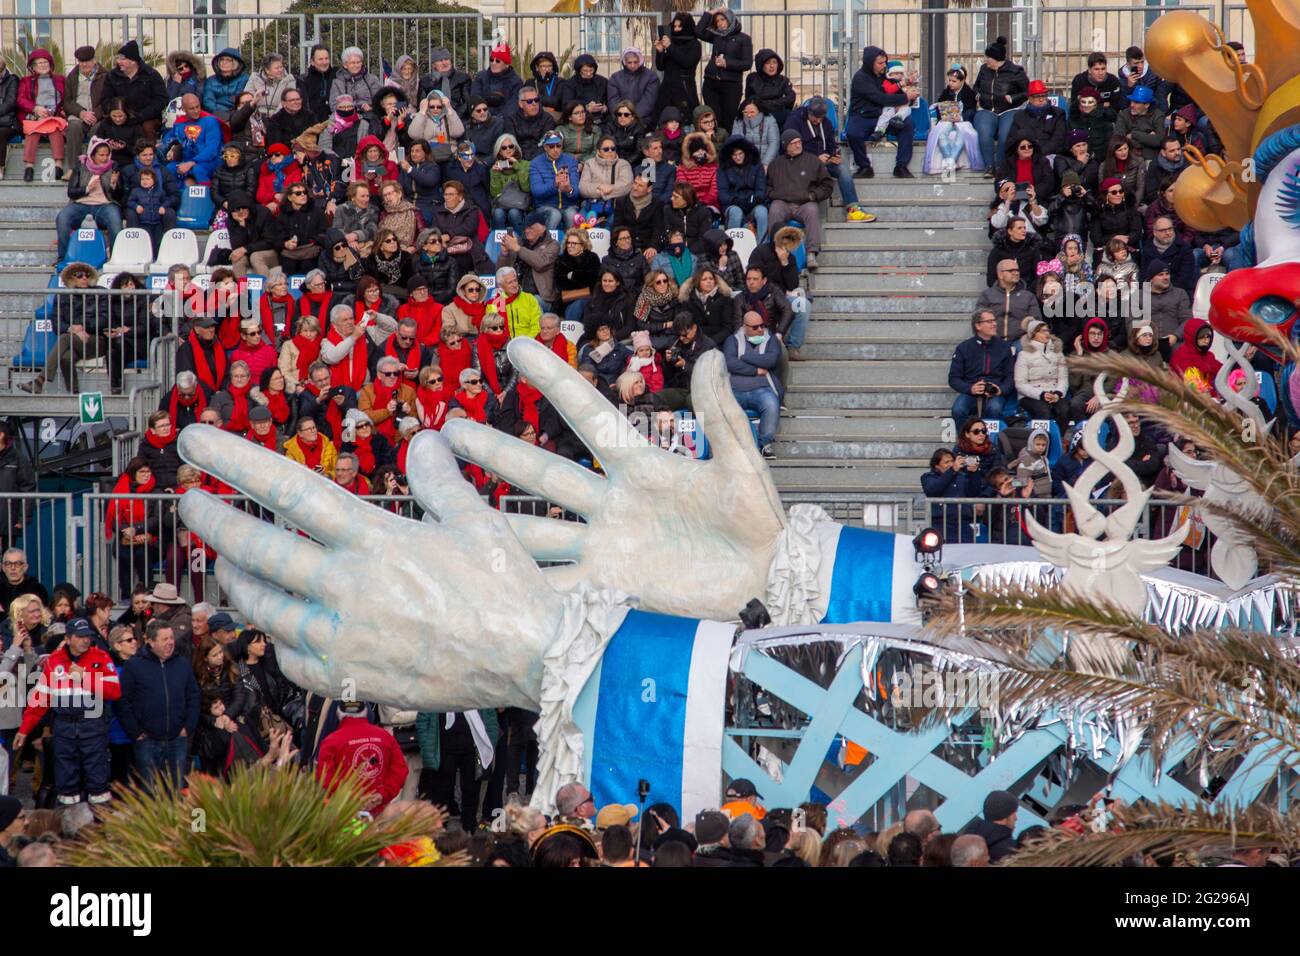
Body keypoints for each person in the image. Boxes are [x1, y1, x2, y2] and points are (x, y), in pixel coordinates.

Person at [14, 616, 120, 806]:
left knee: (98, 783)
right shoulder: (55, 661)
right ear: (68, 638)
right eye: (79, 637)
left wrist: (85, 678)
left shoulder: (101, 657)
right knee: (66, 784)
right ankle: (68, 827)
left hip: (93, 726)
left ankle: (100, 828)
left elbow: (114, 691)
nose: (85, 640)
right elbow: (40, 699)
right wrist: (24, 730)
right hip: (64, 727)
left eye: (87, 636)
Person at [116, 617, 199, 790]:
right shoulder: (134, 666)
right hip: (147, 741)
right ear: (151, 642)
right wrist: (136, 732)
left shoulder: (182, 664)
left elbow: (193, 696)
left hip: (178, 739)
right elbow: (122, 701)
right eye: (165, 639)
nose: (170, 643)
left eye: (171, 638)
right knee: (151, 792)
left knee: (176, 790)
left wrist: (188, 727)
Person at [848, 46, 920, 179]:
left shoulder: (884, 76)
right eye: (880, 63)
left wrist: (907, 86)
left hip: (885, 115)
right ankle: (864, 167)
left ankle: (901, 166)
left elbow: (894, 89)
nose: (884, 65)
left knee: (907, 124)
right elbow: (879, 97)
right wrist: (905, 97)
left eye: (885, 62)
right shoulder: (861, 78)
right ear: (870, 62)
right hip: (863, 116)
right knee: (853, 132)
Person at [785, 95, 866, 211]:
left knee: (842, 168)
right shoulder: (794, 121)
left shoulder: (826, 123)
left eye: (821, 118)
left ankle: (853, 208)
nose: (818, 121)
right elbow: (790, 149)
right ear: (809, 112)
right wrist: (815, 159)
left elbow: (831, 145)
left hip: (824, 161)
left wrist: (834, 155)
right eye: (815, 117)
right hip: (802, 162)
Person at [767, 130, 832, 270]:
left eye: (799, 142)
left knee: (812, 209)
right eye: (794, 143)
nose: (798, 145)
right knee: (775, 208)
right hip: (783, 202)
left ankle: (811, 254)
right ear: (786, 146)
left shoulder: (813, 161)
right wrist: (773, 194)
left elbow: (827, 185)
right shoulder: (775, 164)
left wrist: (813, 196)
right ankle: (775, 251)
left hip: (805, 203)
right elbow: (767, 187)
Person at [725, 310, 782, 458]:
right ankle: (733, 447)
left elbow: (771, 360)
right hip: (735, 389)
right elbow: (731, 363)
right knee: (725, 407)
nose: (760, 330)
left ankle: (765, 445)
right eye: (755, 327)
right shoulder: (732, 340)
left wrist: (744, 356)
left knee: (771, 404)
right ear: (745, 327)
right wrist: (755, 370)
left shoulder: (771, 340)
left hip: (762, 389)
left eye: (762, 326)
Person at [55, 139, 121, 266]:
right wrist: (87, 189)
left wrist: (114, 185)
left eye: (107, 155)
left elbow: (119, 195)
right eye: (101, 155)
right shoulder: (81, 166)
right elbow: (71, 192)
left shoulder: (114, 167)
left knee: (115, 220)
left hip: (104, 205)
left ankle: (114, 258)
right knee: (62, 217)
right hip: (81, 205)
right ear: (92, 155)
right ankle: (63, 258)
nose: (105, 158)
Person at [972, 36, 1028, 174]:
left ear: (996, 59)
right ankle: (989, 166)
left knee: (1005, 135)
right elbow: (976, 86)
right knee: (984, 133)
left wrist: (1013, 98)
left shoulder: (1015, 71)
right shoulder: (984, 69)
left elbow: (1027, 91)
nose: (986, 60)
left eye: (988, 58)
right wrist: (977, 95)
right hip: (986, 109)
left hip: (1009, 109)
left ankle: (1001, 167)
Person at [949, 308, 1015, 422]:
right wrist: (970, 388)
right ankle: (965, 439)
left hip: (995, 391)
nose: (994, 324)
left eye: (994, 320)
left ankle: (991, 439)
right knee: (958, 410)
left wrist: (1001, 390)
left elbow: (1010, 376)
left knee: (995, 408)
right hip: (971, 390)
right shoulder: (964, 348)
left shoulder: (1004, 347)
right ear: (978, 326)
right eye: (989, 321)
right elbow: (953, 378)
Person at [696, 7, 752, 130]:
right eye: (717, 21)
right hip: (711, 83)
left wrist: (727, 63)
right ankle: (715, 146)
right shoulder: (716, 36)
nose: (720, 23)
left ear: (730, 19)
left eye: (723, 19)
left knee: (728, 121)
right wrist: (710, 13)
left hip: (731, 85)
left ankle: (727, 146)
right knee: (714, 120)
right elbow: (698, 31)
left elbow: (747, 63)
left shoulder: (744, 39)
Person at [16, 49, 66, 182]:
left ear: (50, 64)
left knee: (56, 131)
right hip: (35, 116)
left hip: (54, 115)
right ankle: (29, 167)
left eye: (45, 62)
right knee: (32, 132)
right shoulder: (25, 81)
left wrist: (62, 110)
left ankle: (59, 165)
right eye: (39, 63)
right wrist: (35, 108)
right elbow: (20, 100)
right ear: (33, 67)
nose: (43, 65)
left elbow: (67, 98)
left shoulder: (60, 79)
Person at [103, 40, 168, 139]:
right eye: (118, 58)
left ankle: (149, 153)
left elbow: (161, 99)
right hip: (119, 116)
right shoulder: (112, 76)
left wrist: (142, 115)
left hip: (147, 117)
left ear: (133, 61)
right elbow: (105, 99)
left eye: (122, 59)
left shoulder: (151, 75)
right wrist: (118, 114)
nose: (118, 61)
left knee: (147, 126)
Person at [1015, 319, 1071, 431]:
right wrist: (1041, 394)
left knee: (1064, 410)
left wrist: (1058, 393)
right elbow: (1020, 384)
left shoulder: (1058, 353)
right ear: (1033, 334)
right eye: (1041, 331)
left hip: (1054, 391)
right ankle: (1041, 440)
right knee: (1043, 411)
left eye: (1047, 330)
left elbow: (1063, 378)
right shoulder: (1023, 355)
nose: (1046, 333)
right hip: (1031, 394)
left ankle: (1060, 440)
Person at [499, 215, 560, 309]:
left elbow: (540, 263)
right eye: (525, 227)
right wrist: (505, 253)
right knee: (497, 302)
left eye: (531, 228)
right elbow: (502, 271)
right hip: (515, 292)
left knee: (530, 303)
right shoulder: (519, 242)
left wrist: (518, 249)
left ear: (543, 228)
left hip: (540, 296)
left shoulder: (553, 245)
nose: (527, 231)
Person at [654, 12, 702, 120]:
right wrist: (660, 52)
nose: (676, 29)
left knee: (686, 119)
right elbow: (661, 66)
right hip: (667, 87)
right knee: (662, 118)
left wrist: (670, 47)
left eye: (679, 26)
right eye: (674, 26)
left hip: (684, 88)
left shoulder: (694, 44)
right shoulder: (671, 42)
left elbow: (687, 62)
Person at [529, 131, 579, 231]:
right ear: (545, 147)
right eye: (551, 146)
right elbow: (536, 191)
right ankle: (546, 244)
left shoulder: (571, 160)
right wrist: (554, 184)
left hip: (568, 205)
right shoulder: (536, 163)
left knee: (571, 214)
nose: (555, 150)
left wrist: (569, 189)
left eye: (558, 146)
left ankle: (571, 243)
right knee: (555, 214)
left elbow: (577, 192)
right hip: (545, 206)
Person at [578, 134, 632, 222]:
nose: (610, 151)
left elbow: (626, 187)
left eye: (613, 149)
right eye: (606, 149)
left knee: (611, 226)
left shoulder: (623, 164)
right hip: (592, 205)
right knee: (579, 226)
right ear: (598, 151)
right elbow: (582, 187)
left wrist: (606, 191)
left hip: (615, 206)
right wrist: (600, 187)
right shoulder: (589, 163)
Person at [1113, 84, 1164, 162]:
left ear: (1147, 105)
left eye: (1137, 102)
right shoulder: (1124, 114)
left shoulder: (1158, 115)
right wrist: (1147, 137)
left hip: (1149, 158)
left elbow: (1158, 141)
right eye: (1132, 101)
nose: (1132, 105)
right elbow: (1119, 139)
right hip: (1128, 156)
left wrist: (1133, 134)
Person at [744, 49, 795, 128]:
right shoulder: (753, 78)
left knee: (792, 117)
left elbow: (791, 97)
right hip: (760, 114)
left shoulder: (783, 80)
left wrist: (770, 104)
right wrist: (778, 103)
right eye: (768, 63)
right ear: (761, 64)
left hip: (779, 113)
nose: (772, 66)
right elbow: (750, 100)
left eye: (774, 62)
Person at [494, 265, 544, 341]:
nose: (514, 285)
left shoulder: (529, 298)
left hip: (528, 342)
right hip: (504, 344)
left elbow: (537, 324)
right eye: (510, 283)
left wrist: (526, 340)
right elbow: (492, 326)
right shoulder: (496, 302)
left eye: (515, 280)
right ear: (501, 286)